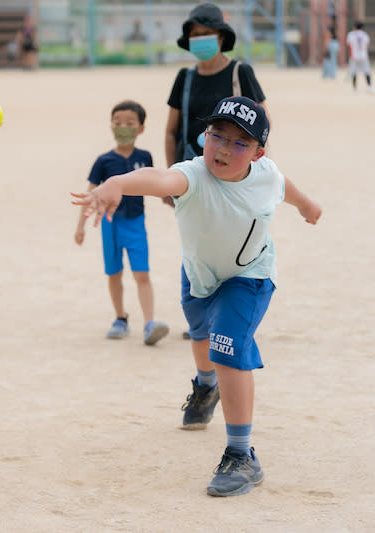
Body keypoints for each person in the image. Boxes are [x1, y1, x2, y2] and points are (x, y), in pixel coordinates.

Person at [72, 95, 322, 497]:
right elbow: (160, 179)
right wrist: (118, 182)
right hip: (199, 276)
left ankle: (242, 455)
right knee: (202, 334)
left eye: (239, 143)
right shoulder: (192, 174)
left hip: (249, 276)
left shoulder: (266, 174)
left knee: (227, 346)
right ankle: (206, 387)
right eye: (216, 135)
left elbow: (282, 185)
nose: (223, 148)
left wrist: (307, 205)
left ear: (258, 153)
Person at [165, 3, 269, 342]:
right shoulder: (185, 77)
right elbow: (172, 130)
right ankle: (203, 315)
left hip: (233, 178)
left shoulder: (241, 72)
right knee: (198, 243)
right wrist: (171, 177)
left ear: (221, 36)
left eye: (206, 33)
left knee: (231, 241)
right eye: (194, 35)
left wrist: (253, 175)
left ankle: (228, 315)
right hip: (194, 177)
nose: (201, 40)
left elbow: (262, 125)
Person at [74, 100, 170, 346]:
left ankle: (149, 324)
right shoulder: (104, 161)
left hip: (136, 223)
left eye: (130, 123)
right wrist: (80, 225)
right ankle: (120, 318)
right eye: (118, 123)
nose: (123, 127)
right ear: (111, 126)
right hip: (109, 223)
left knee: (142, 273)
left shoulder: (144, 156)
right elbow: (91, 193)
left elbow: (155, 183)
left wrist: (171, 199)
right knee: (114, 272)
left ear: (141, 128)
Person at [346, 21, 373, 92]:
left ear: (355, 27)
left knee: (354, 71)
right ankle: (369, 86)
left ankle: (354, 88)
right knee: (367, 71)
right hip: (363, 56)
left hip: (354, 56)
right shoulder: (365, 35)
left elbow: (349, 45)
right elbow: (367, 45)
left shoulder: (350, 34)